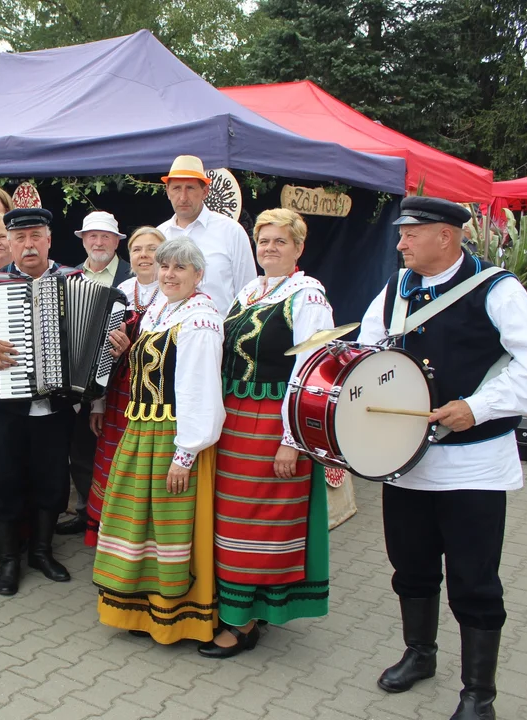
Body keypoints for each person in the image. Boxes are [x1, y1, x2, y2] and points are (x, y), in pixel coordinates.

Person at [359, 197, 527, 720]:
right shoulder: (395, 290)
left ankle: (477, 694)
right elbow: (369, 352)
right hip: (405, 461)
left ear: (446, 236)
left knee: (474, 579)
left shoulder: (498, 289)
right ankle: (420, 654)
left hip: (474, 464)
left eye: (409, 235)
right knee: (411, 568)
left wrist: (477, 407)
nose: (399, 245)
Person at [0, 208, 129, 596]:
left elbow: (100, 346)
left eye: (35, 237)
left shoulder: (77, 282)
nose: (28, 245)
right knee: (4, 478)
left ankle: (42, 552)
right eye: (19, 239)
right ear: (9, 244)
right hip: (4, 407)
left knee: (52, 478)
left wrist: (114, 348)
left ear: (48, 240)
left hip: (57, 406)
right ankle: (10, 559)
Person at [202, 208, 334, 658]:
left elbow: (310, 372)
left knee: (258, 522)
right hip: (235, 419)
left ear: (298, 248)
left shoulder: (308, 295)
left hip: (271, 423)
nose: (270, 248)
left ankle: (244, 623)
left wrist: (291, 440)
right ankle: (236, 605)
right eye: (264, 241)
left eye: (281, 241)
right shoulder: (250, 290)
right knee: (231, 518)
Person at [92, 237, 224, 646]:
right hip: (142, 429)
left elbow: (199, 391)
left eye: (180, 268)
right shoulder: (162, 310)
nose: (169, 274)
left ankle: (176, 616)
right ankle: (141, 609)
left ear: (198, 275)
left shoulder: (200, 319)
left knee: (170, 526)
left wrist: (185, 455)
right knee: (138, 521)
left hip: (172, 436)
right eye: (165, 267)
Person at [84, 226, 165, 546]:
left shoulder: (172, 293)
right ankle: (110, 536)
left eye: (151, 249)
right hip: (118, 394)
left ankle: (139, 539)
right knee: (114, 462)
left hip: (153, 398)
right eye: (137, 250)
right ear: (129, 257)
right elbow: (99, 353)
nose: (144, 255)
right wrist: (99, 403)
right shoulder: (122, 290)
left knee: (141, 466)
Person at [59, 211, 132, 536]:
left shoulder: (131, 276)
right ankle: (86, 511)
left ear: (117, 241)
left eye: (105, 236)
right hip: (79, 379)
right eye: (92, 236)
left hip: (119, 381)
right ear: (84, 240)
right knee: (81, 450)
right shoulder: (70, 277)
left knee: (116, 452)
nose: (98, 242)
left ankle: (117, 518)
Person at [157, 155, 256, 317]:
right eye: (176, 188)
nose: (183, 197)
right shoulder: (160, 234)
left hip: (221, 336)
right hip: (167, 337)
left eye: (190, 188)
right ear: (167, 191)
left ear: (205, 192)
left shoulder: (231, 231)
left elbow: (248, 292)